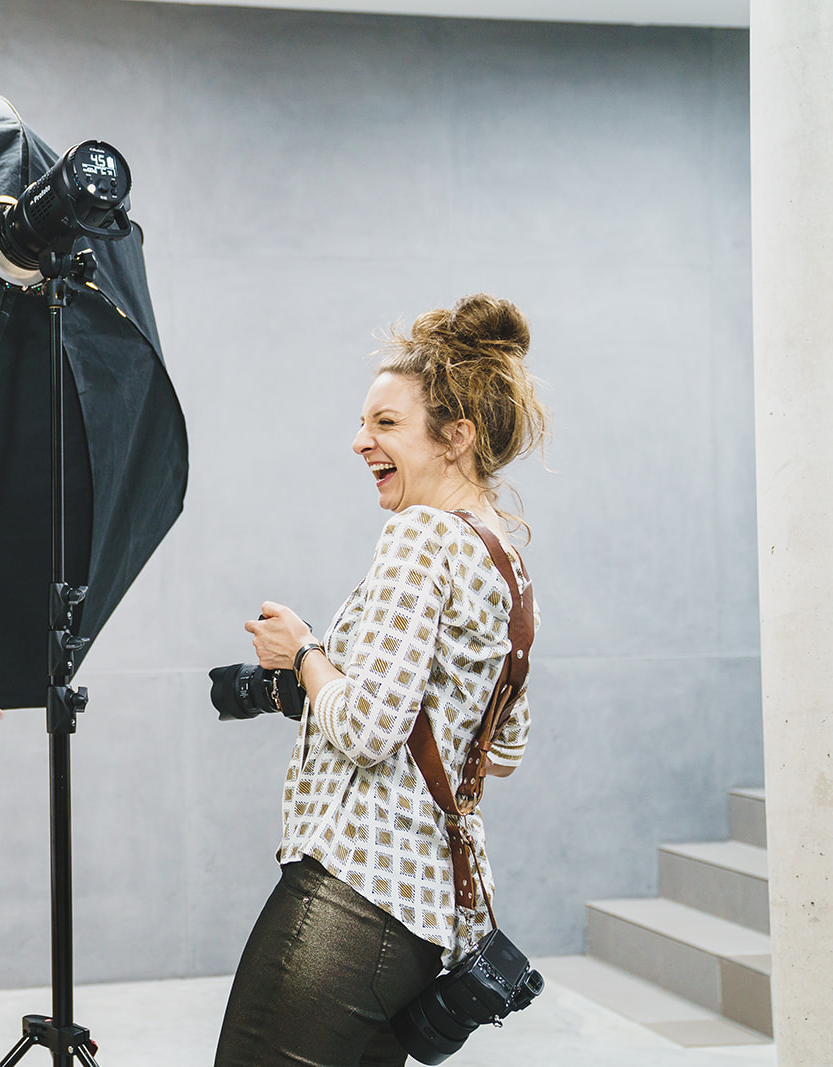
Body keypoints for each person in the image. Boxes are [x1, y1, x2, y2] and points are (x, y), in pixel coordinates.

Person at [212, 294, 549, 1067]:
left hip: (353, 893)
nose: (360, 440)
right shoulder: (505, 557)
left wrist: (304, 651)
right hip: (427, 917)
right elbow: (502, 751)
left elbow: (368, 729)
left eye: (386, 423)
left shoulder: (419, 534)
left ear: (457, 437)